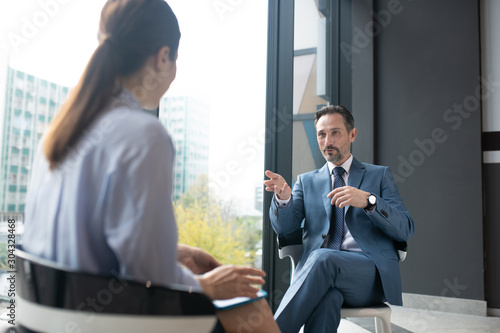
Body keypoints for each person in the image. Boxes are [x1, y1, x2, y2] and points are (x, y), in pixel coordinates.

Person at [23, 1, 280, 332]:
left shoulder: (60, 133)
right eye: (175, 60)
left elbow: (81, 247)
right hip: (111, 322)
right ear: (162, 57)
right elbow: (153, 278)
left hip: (51, 319)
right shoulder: (143, 134)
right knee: (251, 308)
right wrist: (208, 285)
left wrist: (174, 252)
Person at [264, 105, 415, 332]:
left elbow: (405, 229)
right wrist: (284, 199)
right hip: (322, 277)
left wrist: (369, 202)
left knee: (324, 258)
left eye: (335, 132)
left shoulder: (379, 175)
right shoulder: (306, 182)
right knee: (328, 299)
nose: (327, 141)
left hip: (367, 276)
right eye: (321, 134)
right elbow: (285, 228)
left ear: (352, 134)